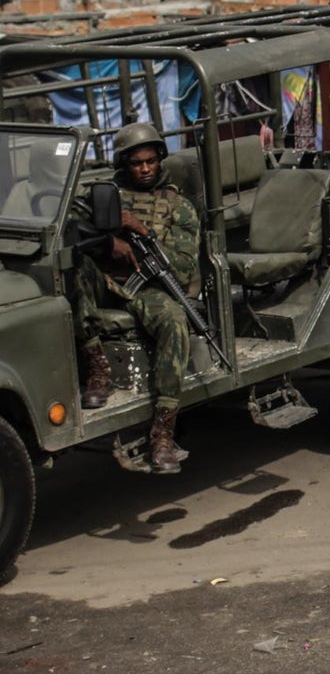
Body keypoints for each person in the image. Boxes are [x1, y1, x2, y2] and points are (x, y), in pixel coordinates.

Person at [74, 122, 201, 474]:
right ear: (124, 164)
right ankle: (97, 369)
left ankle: (163, 433)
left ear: (160, 159)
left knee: (175, 322)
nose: (144, 169)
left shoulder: (180, 207)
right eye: (135, 163)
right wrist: (108, 240)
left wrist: (142, 231)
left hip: (148, 287)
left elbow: (184, 268)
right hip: (107, 280)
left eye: (150, 161)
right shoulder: (104, 194)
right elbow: (73, 228)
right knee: (76, 268)